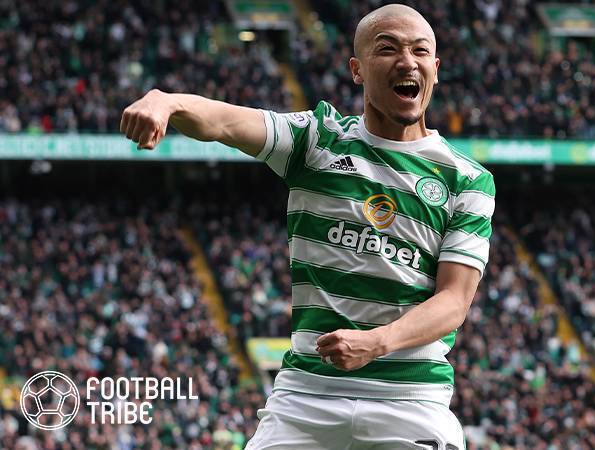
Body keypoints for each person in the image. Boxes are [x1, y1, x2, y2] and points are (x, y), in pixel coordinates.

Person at [119, 4, 494, 449]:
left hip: (409, 401)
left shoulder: (467, 179)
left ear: (436, 68)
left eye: (420, 51)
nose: (407, 61)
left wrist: (376, 343)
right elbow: (225, 121)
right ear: (357, 69)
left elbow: (453, 301)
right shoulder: (317, 141)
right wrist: (166, 101)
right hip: (306, 396)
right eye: (387, 49)